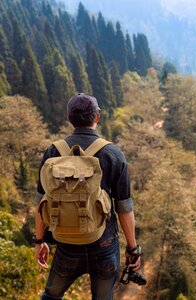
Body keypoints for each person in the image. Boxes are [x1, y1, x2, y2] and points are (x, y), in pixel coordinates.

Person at [34, 93, 140, 299]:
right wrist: (133, 249)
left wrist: (39, 241)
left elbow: (40, 203)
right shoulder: (113, 154)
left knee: (51, 295)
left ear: (69, 119)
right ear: (97, 117)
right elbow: (124, 208)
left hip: (66, 244)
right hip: (104, 245)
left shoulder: (53, 152)